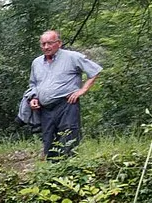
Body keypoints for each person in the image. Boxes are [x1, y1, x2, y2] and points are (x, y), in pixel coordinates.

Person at [25, 29, 102, 159]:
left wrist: (82, 90)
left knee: (68, 137)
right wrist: (34, 98)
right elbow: (33, 84)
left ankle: (70, 169)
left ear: (59, 43)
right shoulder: (36, 62)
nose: (46, 47)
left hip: (67, 104)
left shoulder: (72, 57)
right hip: (45, 108)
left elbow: (95, 71)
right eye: (43, 44)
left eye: (50, 43)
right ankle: (52, 172)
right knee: (48, 140)